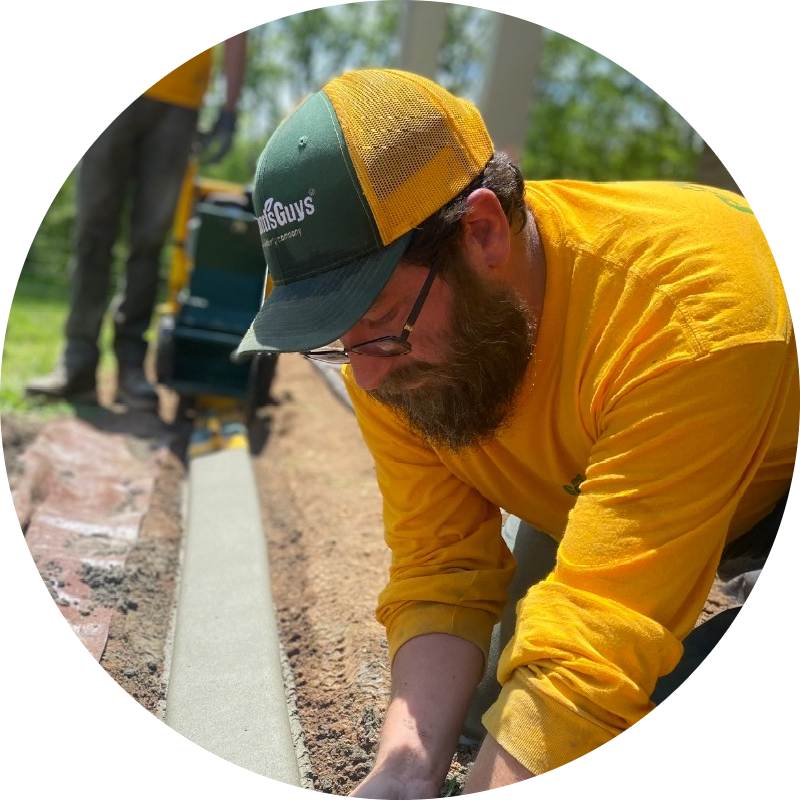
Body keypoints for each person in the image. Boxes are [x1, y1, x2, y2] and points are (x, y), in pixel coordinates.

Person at [235, 69, 797, 792]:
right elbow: (442, 569)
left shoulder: (689, 320)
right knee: (492, 704)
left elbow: (597, 645)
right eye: (338, 341)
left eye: (377, 326)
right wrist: (402, 776)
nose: (364, 379)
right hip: (599, 464)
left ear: (483, 231)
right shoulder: (389, 357)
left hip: (761, 472)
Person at [26, 32, 248, 411]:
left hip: (179, 101)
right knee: (92, 233)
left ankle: (131, 368)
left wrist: (229, 108)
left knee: (149, 241)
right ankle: (77, 365)